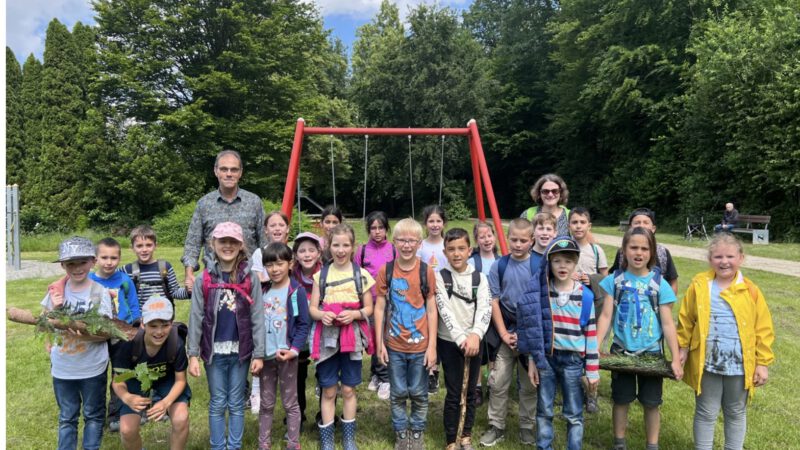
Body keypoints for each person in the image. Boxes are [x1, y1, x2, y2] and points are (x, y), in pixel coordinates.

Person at [677, 233, 774, 450]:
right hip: (706, 362)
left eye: (730, 256)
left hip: (739, 366)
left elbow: (763, 329)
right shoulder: (700, 285)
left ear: (741, 257)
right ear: (710, 259)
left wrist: (762, 362)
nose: (724, 261)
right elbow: (686, 319)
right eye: (718, 256)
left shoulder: (750, 290)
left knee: (736, 412)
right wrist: (682, 348)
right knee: (705, 411)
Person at [596, 227, 684, 450]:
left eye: (644, 248)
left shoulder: (659, 284)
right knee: (621, 400)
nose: (638, 252)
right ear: (624, 250)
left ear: (652, 252)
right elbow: (606, 316)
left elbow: (667, 323)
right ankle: (619, 443)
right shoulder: (613, 281)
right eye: (633, 247)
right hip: (621, 351)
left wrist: (675, 358)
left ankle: (652, 445)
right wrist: (594, 346)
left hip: (652, 353)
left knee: (651, 403)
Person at [187, 222, 265, 450]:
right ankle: (217, 446)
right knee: (218, 402)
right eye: (223, 241)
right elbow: (195, 317)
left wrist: (259, 353)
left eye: (233, 242)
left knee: (237, 403)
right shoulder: (204, 279)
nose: (228, 246)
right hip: (214, 352)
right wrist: (192, 354)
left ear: (241, 246)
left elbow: (258, 317)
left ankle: (234, 446)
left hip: (240, 351)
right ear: (213, 244)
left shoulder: (250, 278)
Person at [518, 236, 599, 450]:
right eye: (557, 261)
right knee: (544, 410)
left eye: (568, 261)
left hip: (573, 361)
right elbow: (533, 330)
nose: (563, 266)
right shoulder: (542, 294)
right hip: (547, 359)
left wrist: (592, 371)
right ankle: (544, 446)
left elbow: (590, 334)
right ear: (549, 263)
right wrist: (533, 360)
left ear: (576, 263)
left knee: (573, 413)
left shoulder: (586, 296)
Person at [41, 237, 114, 450]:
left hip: (92, 367)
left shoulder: (99, 292)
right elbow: (43, 321)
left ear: (92, 262)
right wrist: (50, 330)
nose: (77, 268)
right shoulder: (56, 291)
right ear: (63, 265)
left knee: (93, 414)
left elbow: (107, 332)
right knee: (67, 417)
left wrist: (80, 332)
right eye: (70, 263)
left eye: (82, 262)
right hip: (63, 368)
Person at [309, 223, 374, 450]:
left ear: (353, 246)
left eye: (346, 245)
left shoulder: (361, 275)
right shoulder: (321, 276)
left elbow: (369, 308)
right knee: (328, 390)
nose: (341, 250)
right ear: (328, 246)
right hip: (327, 339)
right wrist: (322, 315)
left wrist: (355, 314)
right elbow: (313, 309)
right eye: (336, 245)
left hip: (351, 339)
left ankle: (348, 438)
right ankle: (327, 440)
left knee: (348, 389)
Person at [374, 218, 438, 450]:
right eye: (402, 240)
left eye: (412, 240)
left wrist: (432, 347)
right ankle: (401, 432)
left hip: (420, 346)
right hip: (394, 345)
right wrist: (380, 342)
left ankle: (417, 431)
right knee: (398, 392)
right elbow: (379, 307)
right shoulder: (386, 270)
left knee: (420, 393)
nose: (407, 245)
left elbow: (431, 309)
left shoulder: (426, 271)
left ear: (419, 243)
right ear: (394, 242)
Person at [480, 218, 540, 447]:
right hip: (505, 332)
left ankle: (527, 426)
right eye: (513, 239)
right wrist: (504, 334)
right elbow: (494, 300)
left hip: (530, 334)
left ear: (531, 241)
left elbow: (540, 302)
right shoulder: (499, 266)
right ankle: (496, 425)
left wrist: (526, 335)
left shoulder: (539, 265)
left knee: (529, 384)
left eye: (523, 240)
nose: (517, 244)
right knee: (498, 382)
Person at [435, 228, 492, 450]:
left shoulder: (480, 278)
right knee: (453, 390)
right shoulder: (441, 277)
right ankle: (451, 438)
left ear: (470, 250)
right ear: (445, 252)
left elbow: (485, 308)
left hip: (474, 340)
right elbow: (444, 310)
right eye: (451, 249)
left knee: (470, 391)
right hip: (449, 341)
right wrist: (461, 339)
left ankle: (465, 435)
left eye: (461, 249)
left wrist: (476, 335)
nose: (456, 254)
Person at [112, 296, 191, 450]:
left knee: (181, 418)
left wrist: (166, 402)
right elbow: (118, 381)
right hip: (135, 377)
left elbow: (180, 380)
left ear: (172, 323)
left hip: (167, 378)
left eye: (165, 325)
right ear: (143, 323)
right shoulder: (128, 344)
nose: (159, 331)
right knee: (127, 430)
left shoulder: (176, 343)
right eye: (153, 325)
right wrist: (127, 397)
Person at [182, 149, 266, 289]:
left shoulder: (254, 202)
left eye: (234, 170)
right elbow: (192, 243)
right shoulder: (204, 204)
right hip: (213, 279)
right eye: (224, 169)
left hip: (248, 279)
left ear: (240, 172)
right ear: (216, 171)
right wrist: (189, 273)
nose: (229, 174)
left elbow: (264, 243)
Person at [257, 243, 310, 450]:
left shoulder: (295, 292)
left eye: (279, 264)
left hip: (287, 357)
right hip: (266, 357)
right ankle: (263, 444)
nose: (275, 269)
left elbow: (303, 324)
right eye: (269, 265)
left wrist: (294, 350)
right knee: (266, 403)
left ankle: (293, 443)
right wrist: (257, 353)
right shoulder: (262, 291)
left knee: (290, 403)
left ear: (290, 263)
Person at [89, 237, 141, 433]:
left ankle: (118, 414)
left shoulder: (124, 280)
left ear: (119, 258)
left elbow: (134, 305)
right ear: (95, 259)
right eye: (104, 257)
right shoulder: (90, 280)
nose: (109, 262)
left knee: (121, 374)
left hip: (122, 334)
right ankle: (96, 416)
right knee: (98, 375)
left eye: (113, 257)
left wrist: (134, 326)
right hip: (99, 336)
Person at [568, 207, 608, 413]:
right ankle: (571, 390)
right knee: (573, 349)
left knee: (591, 350)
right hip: (569, 308)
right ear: (568, 226)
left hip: (591, 307)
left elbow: (606, 280)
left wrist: (589, 279)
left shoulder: (596, 250)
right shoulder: (564, 247)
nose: (578, 226)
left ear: (589, 226)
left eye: (582, 222)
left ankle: (591, 394)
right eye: (574, 222)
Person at [355, 211, 397, 401]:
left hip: (389, 300)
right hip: (369, 301)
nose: (377, 232)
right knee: (373, 337)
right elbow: (356, 275)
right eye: (373, 228)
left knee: (385, 337)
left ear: (387, 228)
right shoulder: (362, 251)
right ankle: (376, 372)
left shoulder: (393, 250)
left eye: (381, 227)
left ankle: (385, 377)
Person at [290, 232, 324, 422]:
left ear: (319, 253)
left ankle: (324, 415)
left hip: (322, 329)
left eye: (311, 250)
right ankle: (298, 414)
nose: (307, 254)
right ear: (295, 255)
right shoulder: (290, 275)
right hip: (298, 330)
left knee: (325, 374)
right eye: (302, 251)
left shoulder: (327, 273)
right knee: (297, 374)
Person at [610, 208, 679, 294]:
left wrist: (668, 304)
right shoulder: (622, 252)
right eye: (637, 223)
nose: (641, 226)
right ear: (630, 228)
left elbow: (673, 282)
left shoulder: (663, 252)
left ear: (653, 228)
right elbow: (614, 279)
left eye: (646, 222)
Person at [417, 205, 448, 393]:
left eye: (438, 221)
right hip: (424, 294)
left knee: (441, 333)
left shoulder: (447, 244)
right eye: (431, 221)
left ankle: (438, 367)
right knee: (427, 332)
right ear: (425, 223)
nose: (435, 225)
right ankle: (430, 371)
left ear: (443, 223)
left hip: (445, 294)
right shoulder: (421, 245)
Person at [466, 221, 498, 405]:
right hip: (477, 312)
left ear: (494, 236)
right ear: (477, 240)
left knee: (494, 350)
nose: (486, 239)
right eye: (482, 236)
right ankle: (476, 386)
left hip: (495, 313)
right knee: (478, 351)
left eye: (489, 235)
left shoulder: (501, 260)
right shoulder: (473, 262)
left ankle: (492, 383)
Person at [124, 225, 190, 310]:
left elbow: (174, 292)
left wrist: (190, 291)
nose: (144, 249)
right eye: (139, 246)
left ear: (155, 246)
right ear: (132, 248)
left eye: (149, 245)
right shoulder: (127, 270)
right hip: (140, 320)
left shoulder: (165, 267)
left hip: (164, 319)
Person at [251, 211, 292, 282]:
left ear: (287, 229)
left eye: (281, 225)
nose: (277, 228)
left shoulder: (292, 252)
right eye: (273, 226)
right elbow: (257, 280)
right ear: (266, 230)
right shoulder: (259, 253)